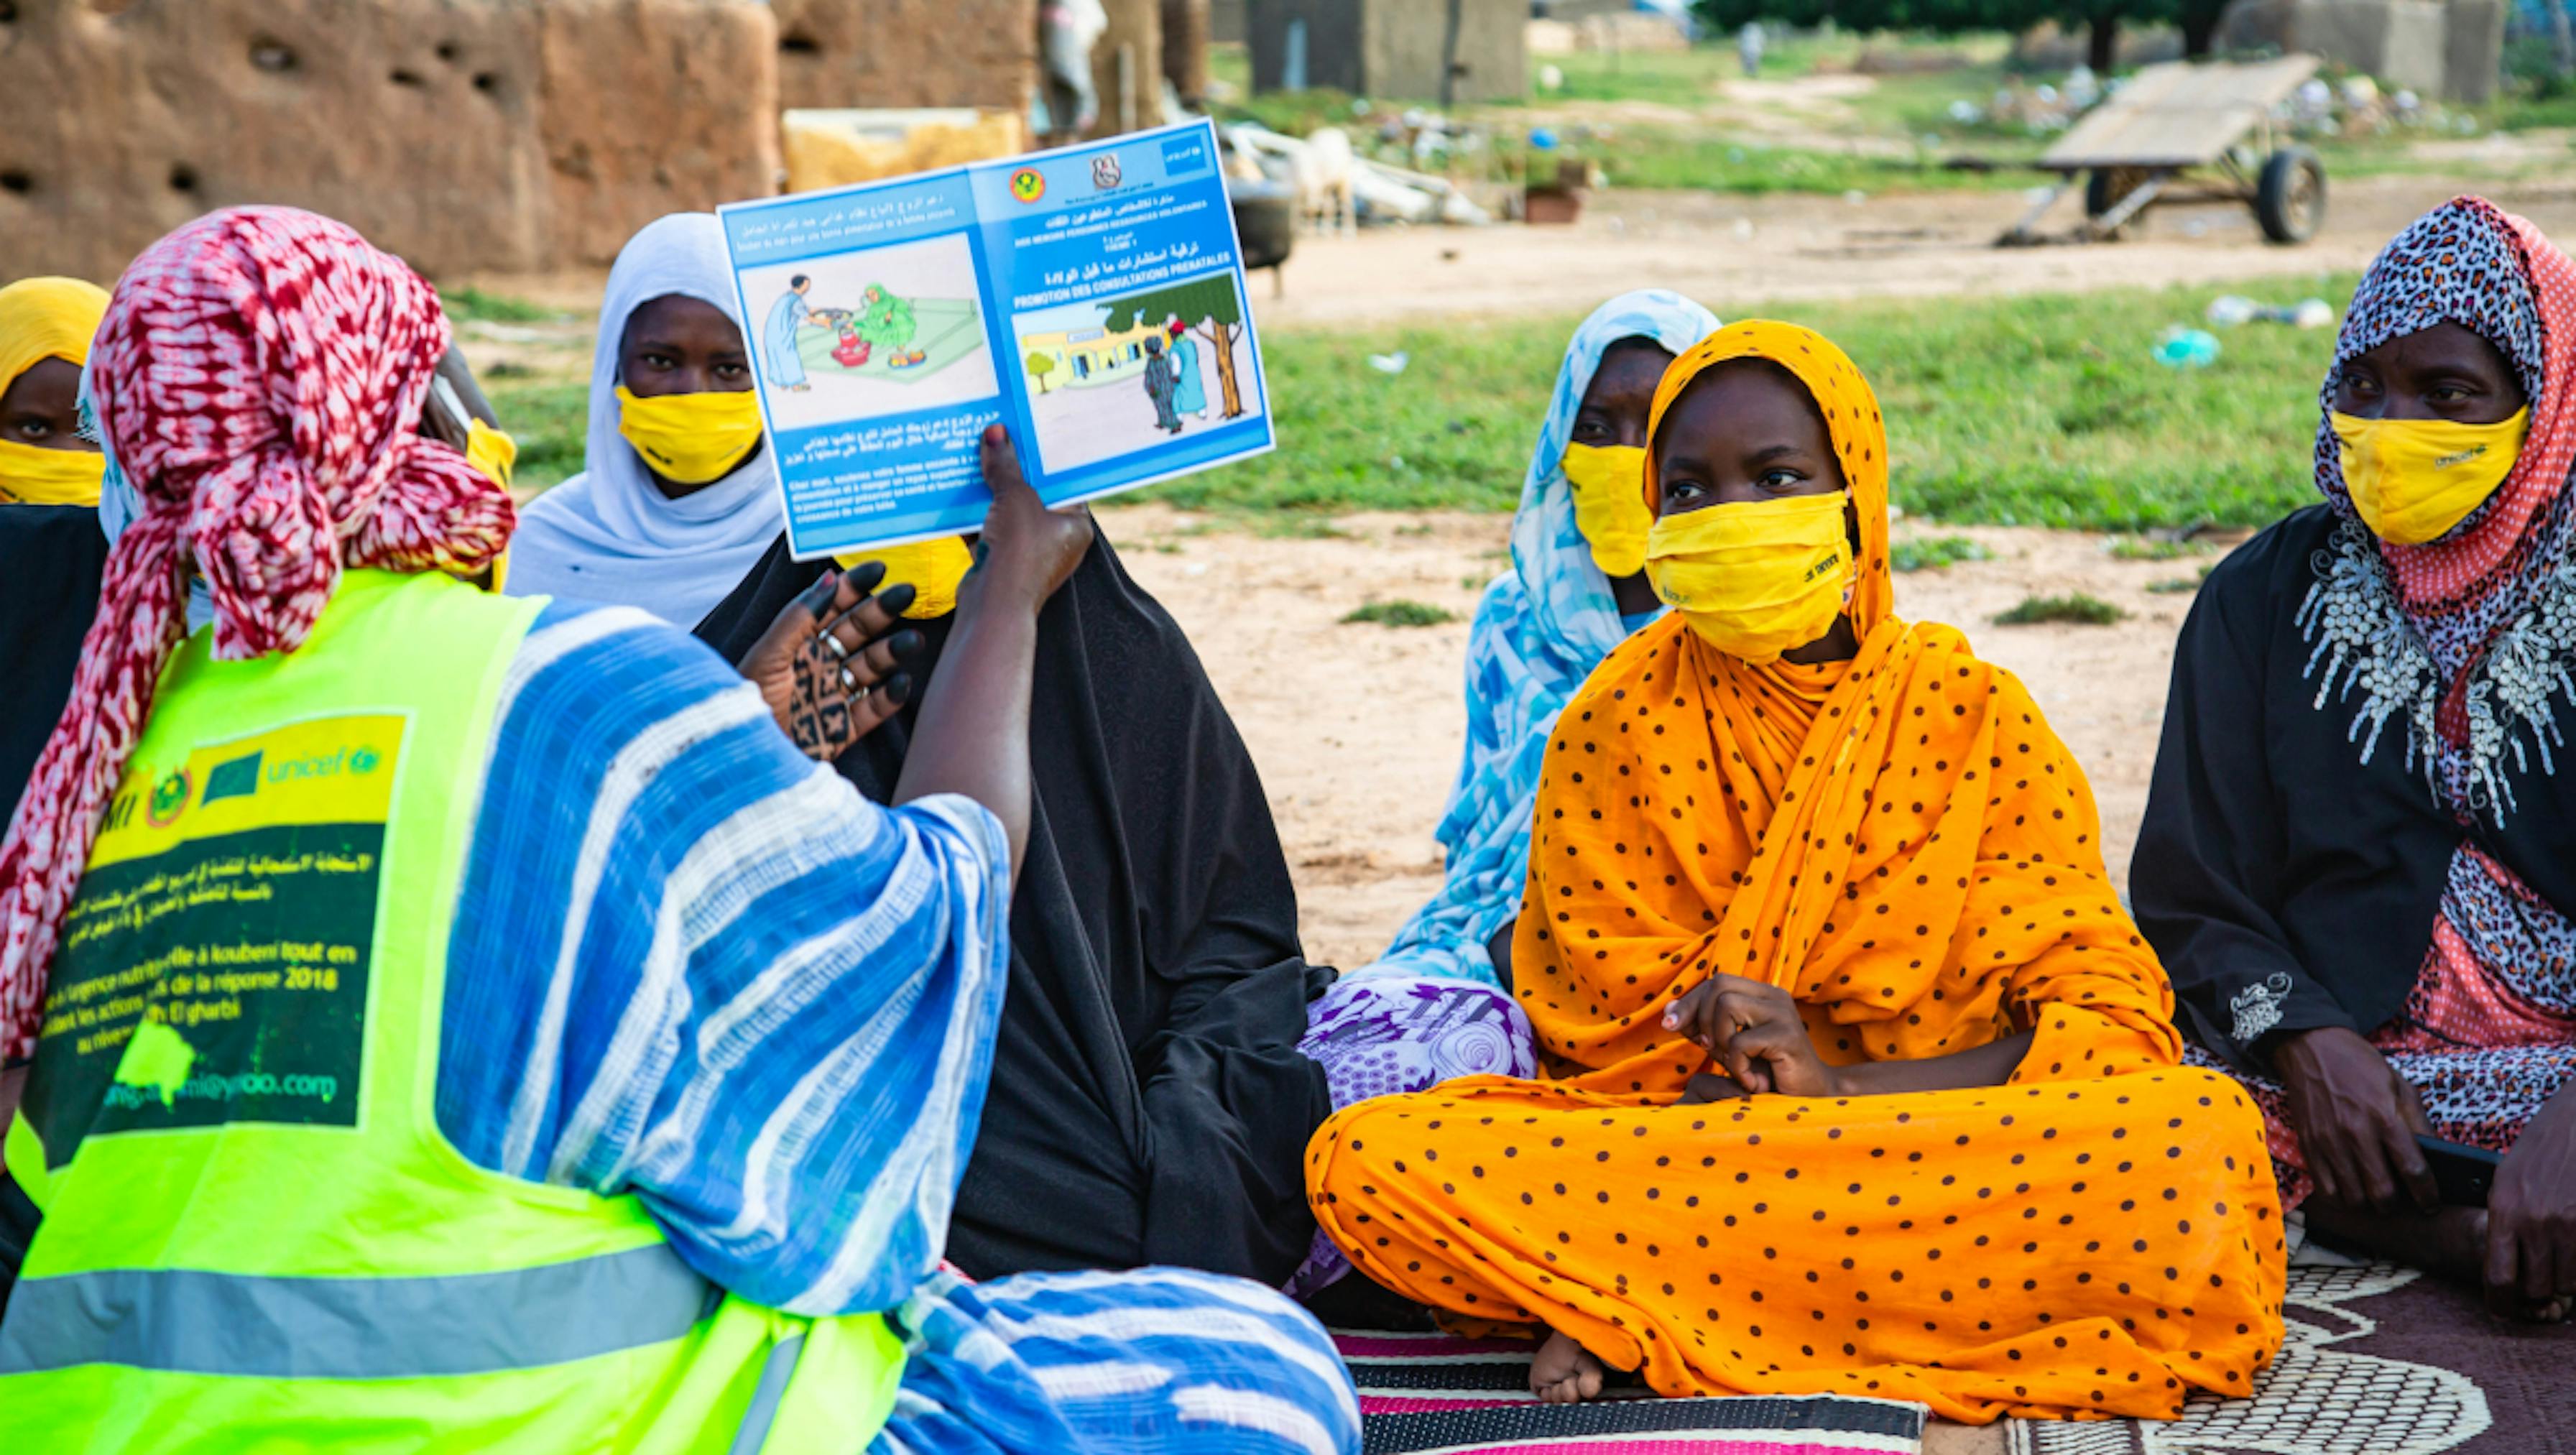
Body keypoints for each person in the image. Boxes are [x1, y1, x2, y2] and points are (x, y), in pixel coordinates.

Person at [0, 205, 1362, 1454]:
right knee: (1258, 1380)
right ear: (404, 422)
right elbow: (939, 897)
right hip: (521, 1416)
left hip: (97, 1422)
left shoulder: (91, 761)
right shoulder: (560, 692)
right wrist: (1008, 591)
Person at [1304, 320, 2285, 1424]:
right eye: (1689, 491)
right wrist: (1737, 1058)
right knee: (1372, 1156)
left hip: (1940, 1138)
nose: (1730, 518)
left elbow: (2105, 1019)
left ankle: (1629, 1290)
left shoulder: (1972, 716)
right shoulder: (1613, 723)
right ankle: (1732, 1285)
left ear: (1854, 493)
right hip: (1704, 1147)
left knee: (2193, 1133)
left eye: (1776, 479)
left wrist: (1844, 1083)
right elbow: (1596, 1040)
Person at [696, 511, 1354, 1290]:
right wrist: (743, 772)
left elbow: (1229, 945)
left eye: (987, 544)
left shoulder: (1122, 661)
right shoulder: (748, 696)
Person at [2134, 196, 2576, 1321]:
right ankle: (2454, 1230)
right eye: (2360, 387)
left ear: (2546, 405)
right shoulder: (2261, 595)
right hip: (2342, 1082)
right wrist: (2303, 1039)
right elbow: (2192, 891)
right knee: (2149, 1121)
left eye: (2447, 395)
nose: (2388, 425)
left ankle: (2420, 1222)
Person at [506, 213, 785, 630]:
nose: (693, 392)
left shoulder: (811, 544)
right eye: (660, 361)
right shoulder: (540, 546)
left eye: (730, 368)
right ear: (612, 366)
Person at [763, 273, 814, 392]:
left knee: (776, 357)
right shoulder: (796, 301)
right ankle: (795, 385)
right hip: (783, 335)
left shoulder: (788, 297)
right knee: (789, 357)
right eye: (807, 285)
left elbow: (807, 310)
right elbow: (808, 317)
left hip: (773, 334)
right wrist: (826, 322)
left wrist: (822, 310)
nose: (808, 287)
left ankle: (783, 384)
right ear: (801, 286)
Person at [1170, 320, 1209, 420]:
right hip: (1194, 372)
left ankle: (1179, 416)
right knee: (1197, 391)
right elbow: (1196, 357)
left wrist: (1175, 376)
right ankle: (1202, 412)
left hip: (1183, 376)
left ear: (1174, 334)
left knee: (1178, 396)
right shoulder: (1191, 343)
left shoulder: (1176, 347)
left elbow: (1176, 364)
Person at [1143, 333, 1181, 434]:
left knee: (1167, 408)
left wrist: (1150, 387)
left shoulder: (1156, 362)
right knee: (1162, 408)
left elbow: (1150, 376)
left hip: (1162, 389)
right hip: (1163, 389)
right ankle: (1163, 422)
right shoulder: (1162, 360)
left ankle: (1175, 426)